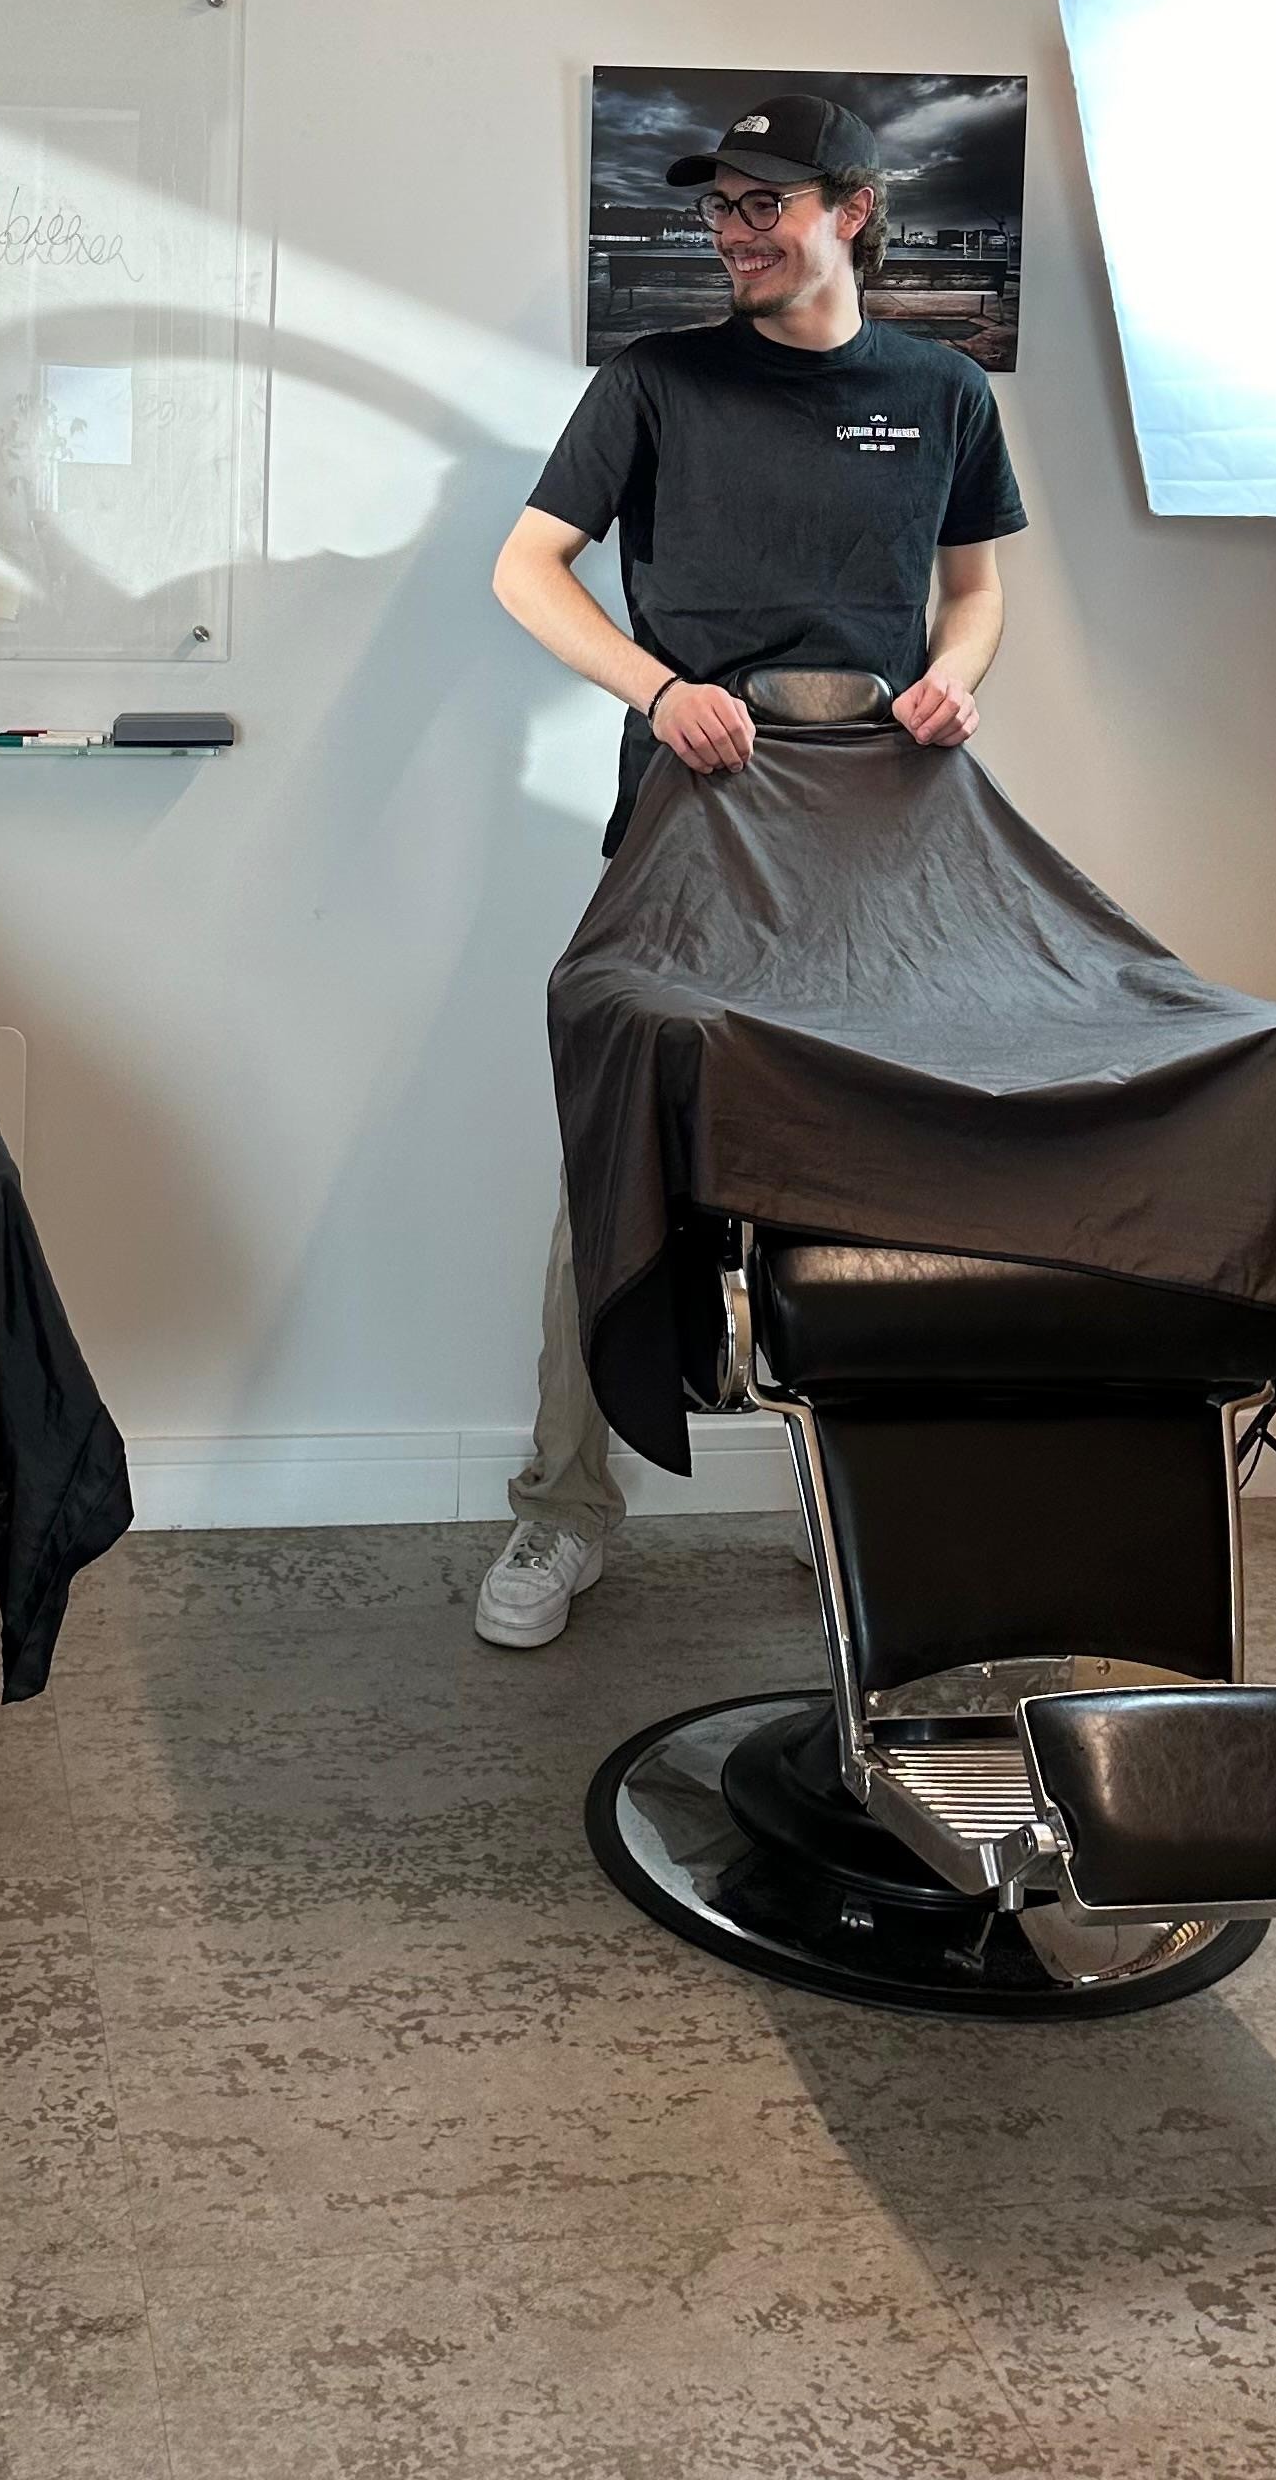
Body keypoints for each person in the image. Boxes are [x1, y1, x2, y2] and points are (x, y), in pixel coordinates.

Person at [475, 93, 1026, 1647]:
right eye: (719, 206)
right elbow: (527, 569)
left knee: (879, 1155)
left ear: (849, 209)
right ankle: (563, 1512)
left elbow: (971, 592)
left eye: (762, 203)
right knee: (620, 1144)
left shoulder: (941, 391)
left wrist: (955, 678)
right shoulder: (654, 382)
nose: (732, 230)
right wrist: (657, 689)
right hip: (697, 802)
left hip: (885, 816)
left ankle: (845, 1502)